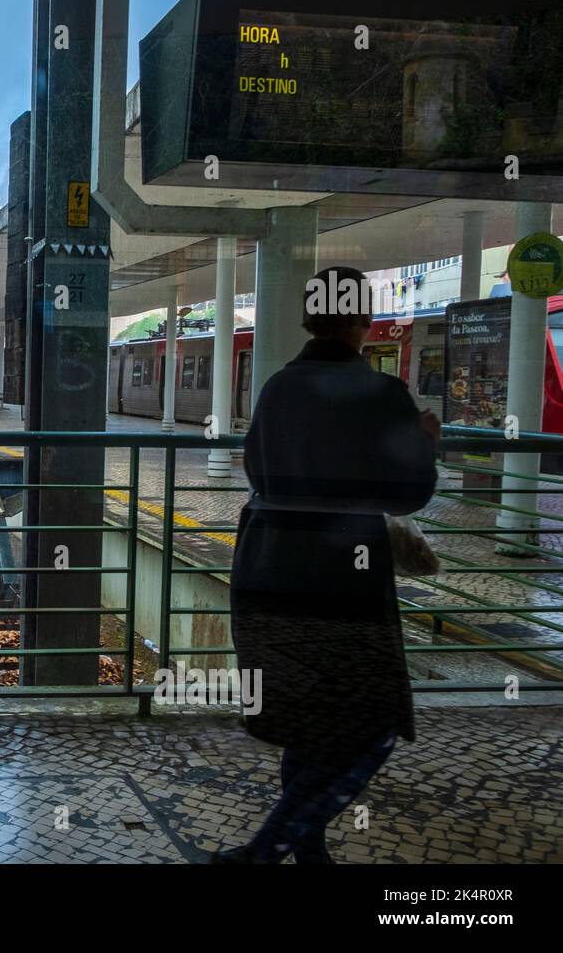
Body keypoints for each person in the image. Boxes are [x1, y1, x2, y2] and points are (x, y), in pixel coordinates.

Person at [215, 266, 439, 864]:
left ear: (309, 320)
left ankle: (308, 856)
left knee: (309, 721)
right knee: (371, 724)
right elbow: (407, 496)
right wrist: (423, 442)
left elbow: (258, 471)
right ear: (364, 323)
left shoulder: (276, 389)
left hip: (264, 569)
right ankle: (262, 855)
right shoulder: (383, 395)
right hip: (342, 581)